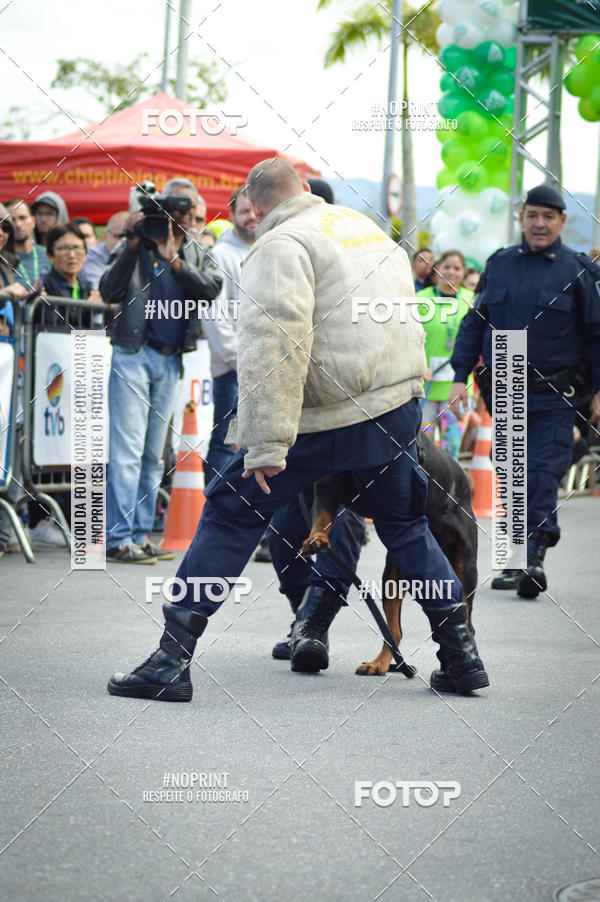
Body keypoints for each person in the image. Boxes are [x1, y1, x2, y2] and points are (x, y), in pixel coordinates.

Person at [107, 157, 489, 702]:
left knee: (231, 513)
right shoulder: (368, 232)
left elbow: (274, 345)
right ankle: (461, 656)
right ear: (306, 190)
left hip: (326, 413)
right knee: (406, 525)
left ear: (256, 208)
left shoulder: (280, 245)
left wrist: (265, 444)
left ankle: (171, 660)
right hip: (394, 409)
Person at [449, 183, 600, 598]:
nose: (539, 223)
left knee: (542, 471)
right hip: (507, 383)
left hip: (557, 390)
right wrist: (460, 374)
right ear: (521, 218)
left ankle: (534, 552)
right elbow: (474, 322)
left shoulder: (578, 270)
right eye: (532, 215)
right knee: (512, 473)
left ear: (562, 222)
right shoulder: (499, 264)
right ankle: (515, 559)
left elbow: (596, 336)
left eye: (548, 217)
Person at [100, 179, 221, 564]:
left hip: (170, 358)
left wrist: (177, 259)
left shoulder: (194, 249)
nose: (182, 220)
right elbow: (108, 289)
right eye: (177, 213)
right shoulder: (135, 244)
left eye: (188, 215)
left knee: (153, 454)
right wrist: (133, 243)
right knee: (127, 451)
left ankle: (139, 535)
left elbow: (212, 289)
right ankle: (118, 539)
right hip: (133, 353)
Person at [203, 187, 258, 483]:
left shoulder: (270, 249)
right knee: (226, 445)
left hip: (268, 370)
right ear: (232, 215)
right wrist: (238, 360)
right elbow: (214, 314)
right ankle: (217, 517)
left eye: (255, 210)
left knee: (262, 449)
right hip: (233, 371)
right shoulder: (220, 256)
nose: (251, 217)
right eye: (244, 211)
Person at [417, 250, 473, 460]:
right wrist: (419, 365)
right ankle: (427, 492)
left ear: (463, 273)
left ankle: (450, 494)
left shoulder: (472, 300)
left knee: (452, 452)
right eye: (446, 266)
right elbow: (407, 338)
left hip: (457, 390)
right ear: (437, 269)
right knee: (423, 453)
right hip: (425, 392)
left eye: (457, 268)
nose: (451, 272)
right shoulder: (420, 300)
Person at [4, 199, 49, 291]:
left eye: (22, 218)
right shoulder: (3, 259)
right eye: (12, 220)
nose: (18, 225)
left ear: (33, 222)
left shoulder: (50, 254)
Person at [79, 211, 128, 291]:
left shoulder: (136, 253)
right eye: (120, 236)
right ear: (105, 236)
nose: (124, 242)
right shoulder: (91, 255)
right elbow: (101, 291)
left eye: (128, 237)